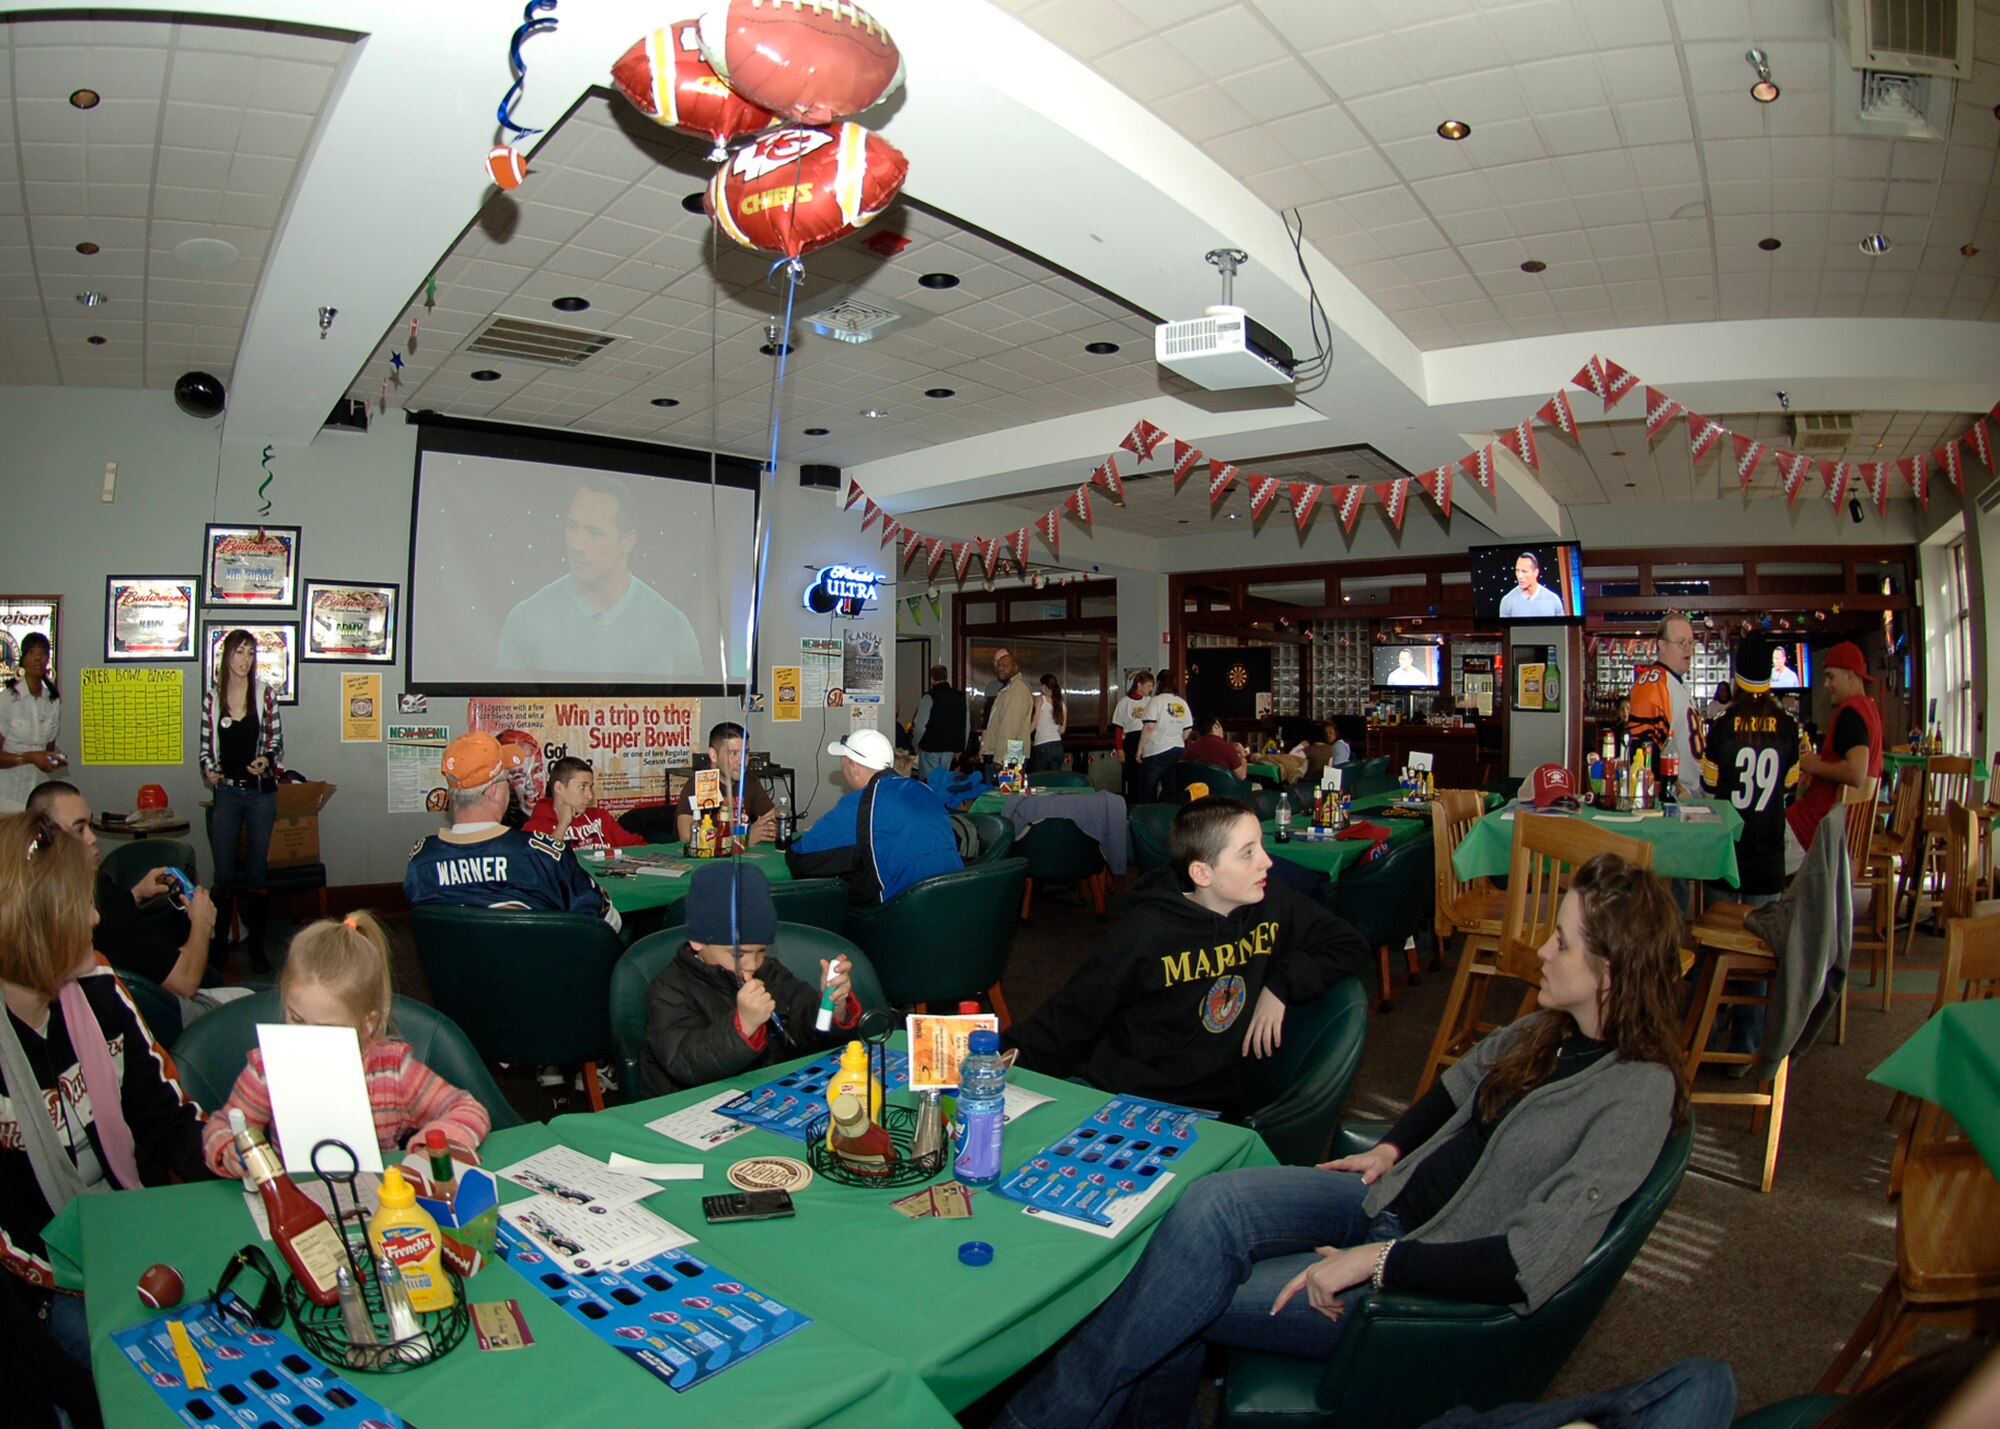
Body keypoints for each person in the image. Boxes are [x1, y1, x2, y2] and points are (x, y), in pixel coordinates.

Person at [998, 852, 1685, 1429]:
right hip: (1386, 1196)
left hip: (1422, 1283)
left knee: (1171, 1295)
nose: (1541, 947)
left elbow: (1528, 1263)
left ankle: (1036, 1416)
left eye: (1561, 940)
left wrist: (1374, 1262)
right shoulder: (1549, 1030)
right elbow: (1457, 1085)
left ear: (1610, 973)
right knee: (1208, 1203)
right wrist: (1392, 1148)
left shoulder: (1636, 1092)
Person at [0, 813, 212, 1379]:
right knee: (135, 1374)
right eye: (79, 906)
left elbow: (168, 1119)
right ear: (32, 923)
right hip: (41, 1281)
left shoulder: (99, 991)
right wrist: (93, 1277)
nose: (96, 918)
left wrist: (220, 1151)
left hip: (121, 1230)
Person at [1007, 797, 1368, 1116]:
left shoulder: (1272, 902)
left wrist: (1282, 984)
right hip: (1122, 1093)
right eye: (1248, 852)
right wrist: (1000, 1058)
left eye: (1260, 846)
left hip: (1208, 1108)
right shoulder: (1148, 929)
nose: (1267, 862)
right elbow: (1075, 1012)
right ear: (1202, 873)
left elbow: (1349, 944)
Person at [202, 912, 491, 1176]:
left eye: (326, 1029)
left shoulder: (391, 1070)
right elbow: (222, 1125)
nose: (307, 1039)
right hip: (298, 1205)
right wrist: (228, 1148)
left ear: (367, 1023)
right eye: (297, 1019)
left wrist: (434, 1147)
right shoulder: (268, 1067)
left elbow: (468, 1109)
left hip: (381, 1204)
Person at [639, 863, 860, 1098]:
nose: (752, 964)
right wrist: (743, 1025)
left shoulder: (770, 972)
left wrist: (832, 1006)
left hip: (763, 1096)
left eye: (761, 951)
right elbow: (685, 1063)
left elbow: (813, 1036)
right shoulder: (669, 990)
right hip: (688, 1110)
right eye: (738, 954)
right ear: (697, 941)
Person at [27, 783, 242, 1025]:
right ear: (45, 837)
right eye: (79, 830)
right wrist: (202, 922)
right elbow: (186, 982)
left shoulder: (39, 888)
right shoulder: (107, 907)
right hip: (171, 1012)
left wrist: (134, 894)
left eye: (89, 824)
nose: (92, 838)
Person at [1699, 637, 1801, 1064]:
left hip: (1727, 850)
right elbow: (1790, 794)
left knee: (1719, 943)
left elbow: (1707, 787)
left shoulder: (1722, 724)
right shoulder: (1788, 728)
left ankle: (1704, 1030)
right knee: (1759, 946)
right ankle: (1746, 1046)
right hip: (1767, 855)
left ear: (1736, 673)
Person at [404, 732, 620, 930]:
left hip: (453, 971)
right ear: (495, 793)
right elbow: (608, 922)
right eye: (509, 780)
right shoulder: (542, 855)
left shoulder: (421, 861)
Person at [494, 474, 702, 676]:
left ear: (627, 542)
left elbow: (697, 709)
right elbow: (505, 708)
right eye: (572, 527)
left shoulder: (672, 626)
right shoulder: (527, 620)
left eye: (593, 532)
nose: (577, 545)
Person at [787, 729, 961, 905]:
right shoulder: (924, 790)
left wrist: (810, 835)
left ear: (854, 768)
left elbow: (801, 857)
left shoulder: (863, 803)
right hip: (954, 901)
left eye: (844, 764)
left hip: (900, 915)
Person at [199, 629, 283, 974]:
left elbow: (276, 743)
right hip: (228, 794)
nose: (244, 660)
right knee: (224, 873)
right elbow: (205, 748)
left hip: (259, 795)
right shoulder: (212, 699)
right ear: (227, 656)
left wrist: (266, 759)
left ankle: (259, 948)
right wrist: (208, 769)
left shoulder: (265, 695)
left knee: (256, 872)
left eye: (250, 653)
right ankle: (219, 943)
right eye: (238, 652)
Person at [1784, 639, 1882, 877]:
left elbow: (1856, 773)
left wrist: (1814, 765)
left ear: (1850, 676)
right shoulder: (1869, 709)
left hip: (1813, 831)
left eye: (1831, 677)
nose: (1826, 684)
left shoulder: (1851, 713)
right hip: (1830, 830)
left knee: (1750, 852)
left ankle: (1755, 913)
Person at [1626, 613, 1701, 801]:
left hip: (1691, 795)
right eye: (1681, 642)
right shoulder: (1654, 683)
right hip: (1674, 798)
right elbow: (1643, 747)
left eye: (1691, 642)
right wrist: (1667, 787)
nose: (1688, 649)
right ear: (1662, 645)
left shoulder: (1676, 682)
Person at [674, 721, 776, 846]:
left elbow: (772, 818)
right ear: (713, 755)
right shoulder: (699, 783)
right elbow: (686, 834)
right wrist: (743, 837)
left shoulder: (750, 781)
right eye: (733, 753)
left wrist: (769, 827)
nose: (742, 761)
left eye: (746, 752)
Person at [0, 632, 63, 814]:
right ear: (23, 660)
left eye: (43, 653)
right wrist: (29, 758)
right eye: (32, 652)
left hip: (39, 798)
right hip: (8, 799)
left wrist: (55, 759)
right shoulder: (7, 699)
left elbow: (49, 749)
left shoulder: (52, 701)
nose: (38, 658)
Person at [524, 757, 645, 851]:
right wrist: (563, 824)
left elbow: (637, 846)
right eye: (582, 787)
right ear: (559, 787)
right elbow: (539, 865)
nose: (590, 795)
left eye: (590, 787)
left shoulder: (600, 817)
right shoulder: (536, 827)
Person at [1134, 672, 1193, 804]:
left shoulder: (1156, 701)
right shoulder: (1182, 703)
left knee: (1147, 789)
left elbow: (1149, 726)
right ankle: (1167, 817)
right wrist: (1176, 738)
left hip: (1156, 749)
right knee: (1170, 789)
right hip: (1177, 749)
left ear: (1159, 683)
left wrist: (1140, 749)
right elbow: (1187, 730)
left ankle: (1144, 817)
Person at [980, 648, 1035, 778]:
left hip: (1010, 756)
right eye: (998, 665)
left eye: (1005, 665)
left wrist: (999, 758)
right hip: (1009, 754)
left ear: (1016, 668)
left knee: (1004, 796)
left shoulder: (1016, 690)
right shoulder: (1007, 689)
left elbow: (1009, 727)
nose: (1000, 668)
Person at [911, 665, 968, 780]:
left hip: (930, 747)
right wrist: (960, 748)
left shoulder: (928, 697)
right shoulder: (960, 697)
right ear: (947, 677)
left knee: (930, 782)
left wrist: (915, 743)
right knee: (945, 782)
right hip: (950, 748)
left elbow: (920, 726)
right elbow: (966, 725)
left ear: (931, 678)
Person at [1110, 671, 1155, 804]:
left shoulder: (1151, 701)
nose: (1151, 689)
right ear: (1139, 685)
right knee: (1133, 775)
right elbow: (1119, 727)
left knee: (1147, 775)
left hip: (1147, 738)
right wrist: (1119, 748)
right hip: (1131, 739)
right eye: (1148, 685)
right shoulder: (1124, 702)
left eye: (1152, 686)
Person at [1498, 551, 1565, 619]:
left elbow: (1561, 628)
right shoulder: (1507, 601)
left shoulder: (1553, 599)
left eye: (1524, 571)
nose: (1519, 576)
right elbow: (1504, 629)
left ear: (1535, 573)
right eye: (1517, 570)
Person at [1180, 715, 1248, 780]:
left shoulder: (1189, 750)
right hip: (1224, 790)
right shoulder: (1228, 748)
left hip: (1197, 791)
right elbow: (1241, 776)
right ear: (1215, 726)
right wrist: (1242, 756)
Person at [1029, 673, 1068, 773]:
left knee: (1038, 781)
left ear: (1044, 686)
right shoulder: (1062, 704)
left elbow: (1034, 723)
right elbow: (1062, 730)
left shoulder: (1040, 700)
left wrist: (1022, 734)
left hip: (1042, 746)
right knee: (1053, 782)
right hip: (1058, 746)